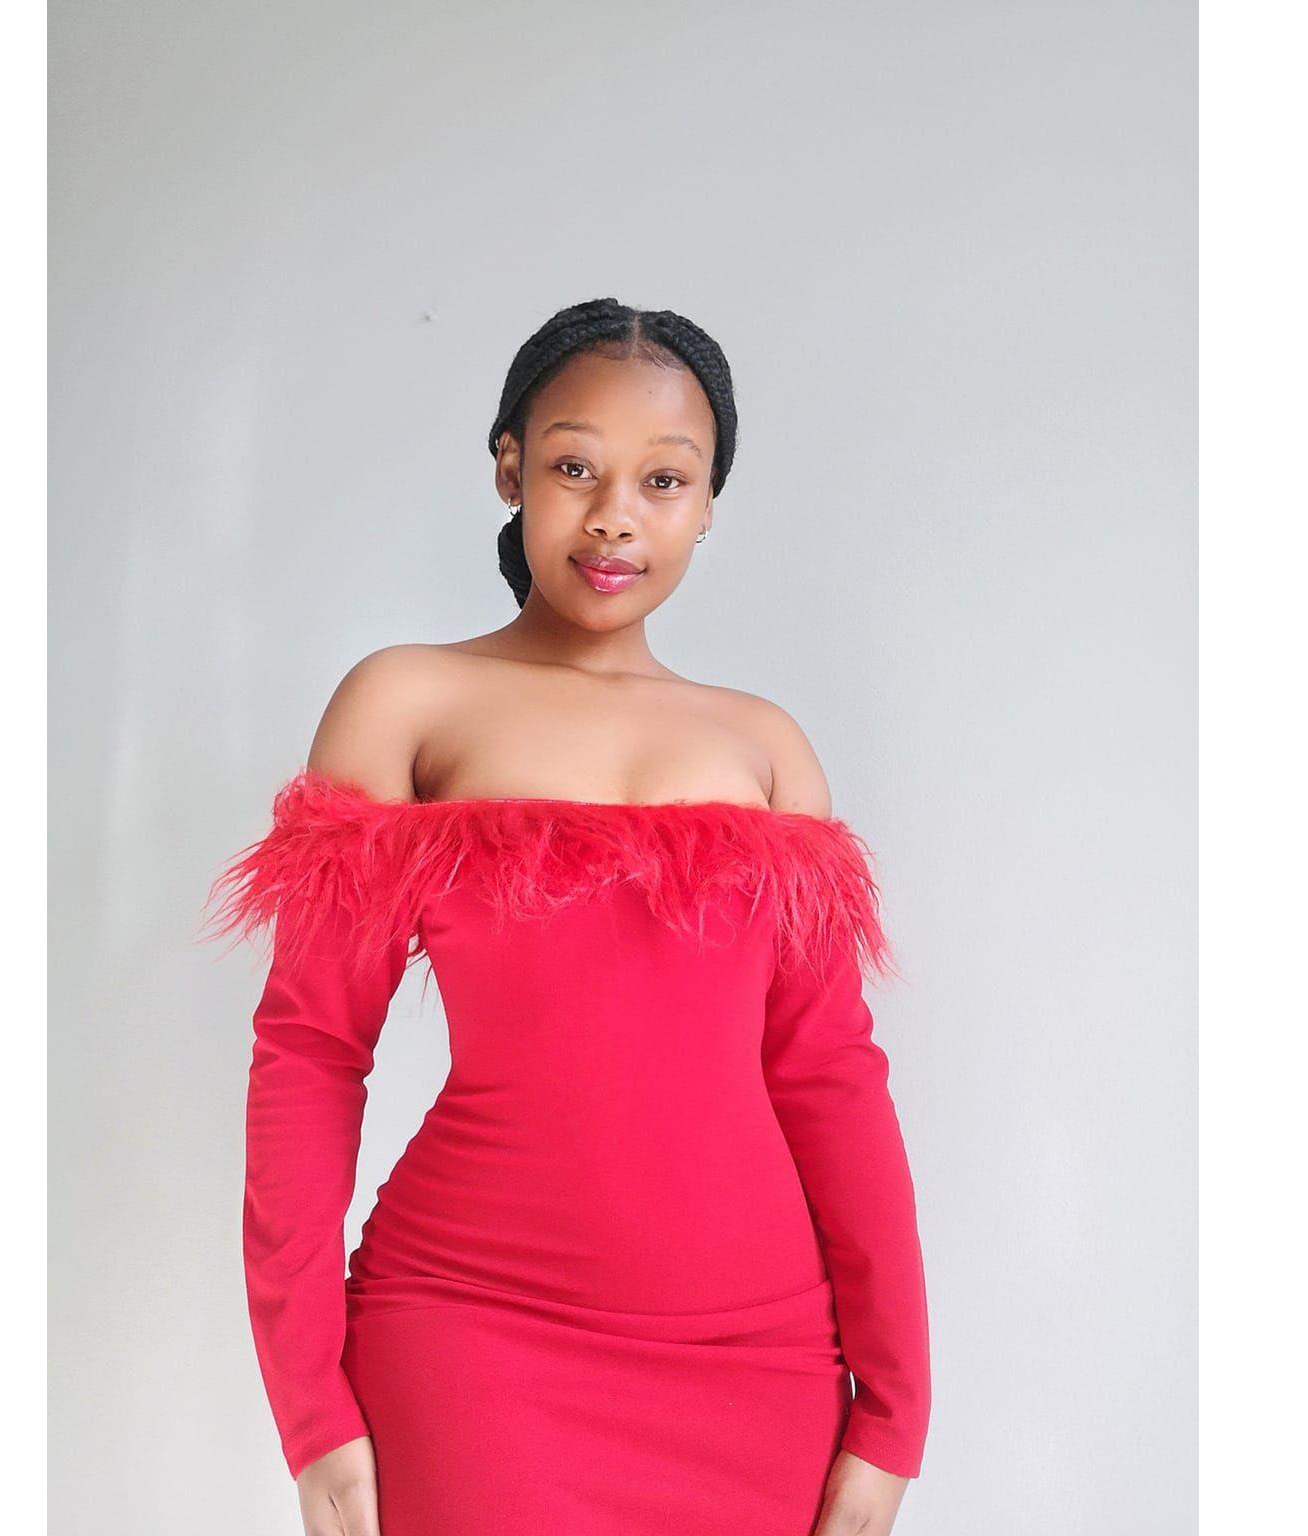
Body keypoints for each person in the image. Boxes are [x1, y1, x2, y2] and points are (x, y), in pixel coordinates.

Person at [204, 296, 932, 1535]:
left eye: (665, 480)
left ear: (709, 504)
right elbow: (312, 1050)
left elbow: (830, 1077)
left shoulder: (766, 748)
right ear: (511, 469)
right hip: (475, 1335)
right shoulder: (408, 701)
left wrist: (897, 1410)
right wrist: (309, 1402)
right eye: (574, 467)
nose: (614, 517)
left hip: (757, 1360)